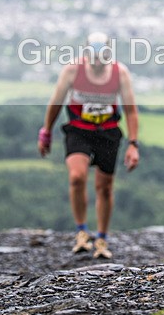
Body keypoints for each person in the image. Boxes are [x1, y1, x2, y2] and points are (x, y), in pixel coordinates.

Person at [38, 31, 140, 259]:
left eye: (100, 55)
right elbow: (56, 103)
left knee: (104, 187)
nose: (96, 61)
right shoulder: (72, 71)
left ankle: (102, 237)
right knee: (77, 177)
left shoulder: (119, 73)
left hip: (108, 132)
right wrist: (46, 132)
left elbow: (131, 110)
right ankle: (82, 232)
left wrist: (133, 144)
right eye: (91, 56)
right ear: (85, 54)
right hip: (78, 130)